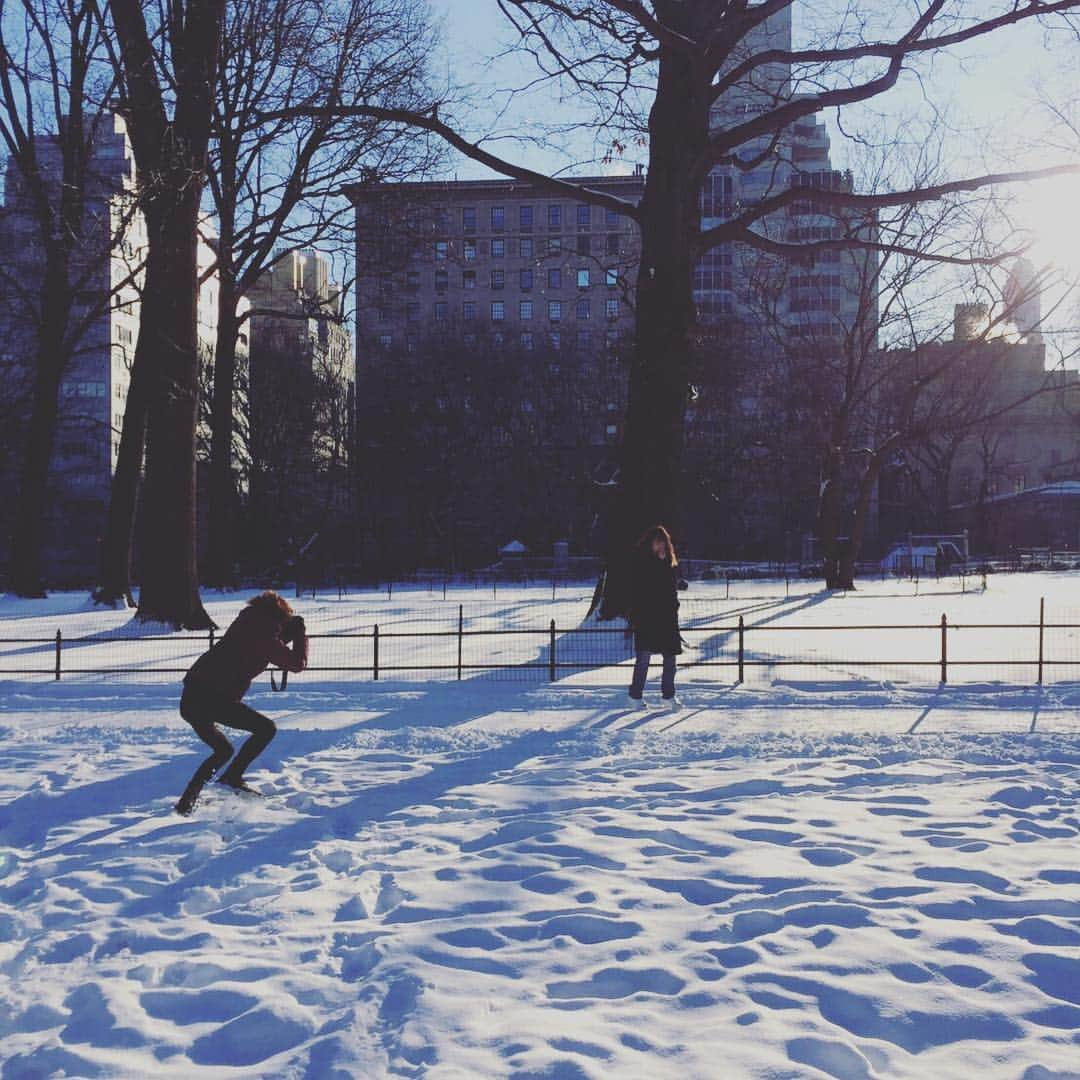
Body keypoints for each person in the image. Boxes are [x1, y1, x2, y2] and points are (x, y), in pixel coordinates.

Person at [175, 591, 308, 816]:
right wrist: (301, 636)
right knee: (266, 729)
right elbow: (296, 664)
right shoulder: (263, 635)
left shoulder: (247, 623)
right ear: (277, 617)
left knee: (223, 750)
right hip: (212, 699)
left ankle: (186, 804)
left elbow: (259, 646)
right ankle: (231, 777)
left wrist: (285, 634)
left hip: (191, 699)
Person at [627, 525, 688, 710]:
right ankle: (635, 696)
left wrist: (674, 605)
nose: (660, 546)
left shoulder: (669, 563)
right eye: (657, 542)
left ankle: (668, 697)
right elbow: (642, 591)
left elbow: (669, 591)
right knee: (644, 659)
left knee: (670, 659)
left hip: (667, 619)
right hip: (647, 619)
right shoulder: (643, 563)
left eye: (663, 542)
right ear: (650, 543)